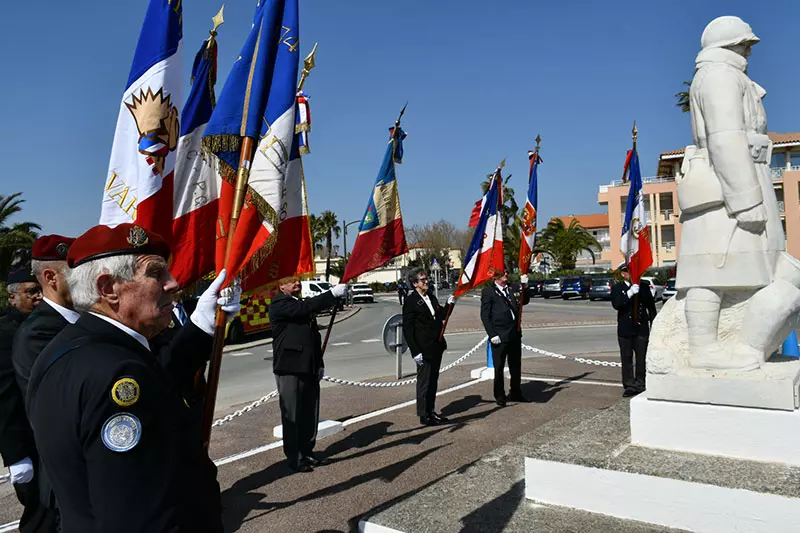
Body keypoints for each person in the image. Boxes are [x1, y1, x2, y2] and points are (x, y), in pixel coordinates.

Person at [26, 223, 241, 533]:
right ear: (109, 288)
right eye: (156, 274)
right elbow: (141, 515)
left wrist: (200, 326)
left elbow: (159, 384)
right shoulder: (120, 374)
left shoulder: (61, 352)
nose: (174, 283)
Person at [10, 235, 76, 532]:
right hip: (63, 467)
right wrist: (15, 455)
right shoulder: (37, 334)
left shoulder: (80, 320)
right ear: (51, 277)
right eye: (76, 270)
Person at [270, 276, 347, 472]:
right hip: (290, 367)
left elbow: (313, 337)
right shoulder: (279, 304)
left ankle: (307, 452)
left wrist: (319, 363)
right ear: (281, 286)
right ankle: (295, 457)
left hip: (308, 366)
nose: (298, 284)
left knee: (309, 413)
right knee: (293, 415)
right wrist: (331, 294)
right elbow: (304, 309)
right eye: (292, 282)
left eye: (298, 281)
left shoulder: (299, 303)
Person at [1, 263, 49, 533]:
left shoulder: (46, 324)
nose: (38, 297)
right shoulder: (5, 334)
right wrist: (16, 456)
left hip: (50, 435)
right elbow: (4, 399)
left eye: (39, 290)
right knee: (39, 516)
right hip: (28, 440)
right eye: (30, 291)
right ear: (12, 297)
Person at [402, 268, 454, 426]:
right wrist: (415, 351)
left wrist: (449, 305)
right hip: (423, 348)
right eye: (423, 280)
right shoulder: (411, 301)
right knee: (424, 382)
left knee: (433, 381)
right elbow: (408, 329)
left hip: (436, 345)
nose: (426, 282)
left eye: (427, 279)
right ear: (415, 283)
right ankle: (424, 414)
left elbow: (440, 316)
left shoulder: (431, 297)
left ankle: (431, 410)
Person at [480, 269, 531, 406]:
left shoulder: (512, 288)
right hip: (499, 335)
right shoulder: (489, 292)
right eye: (503, 273)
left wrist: (525, 286)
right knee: (499, 367)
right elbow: (485, 315)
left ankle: (516, 392)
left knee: (515, 366)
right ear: (495, 277)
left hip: (514, 333)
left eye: (506, 272)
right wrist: (492, 334)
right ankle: (500, 396)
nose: (506, 275)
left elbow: (524, 301)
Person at [611, 262, 657, 397]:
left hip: (641, 328)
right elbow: (617, 304)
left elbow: (651, 307)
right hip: (625, 329)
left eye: (631, 271)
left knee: (641, 358)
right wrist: (629, 293)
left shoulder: (643, 286)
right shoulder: (617, 288)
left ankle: (641, 383)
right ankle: (629, 385)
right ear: (622, 274)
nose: (629, 274)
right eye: (626, 272)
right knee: (626, 358)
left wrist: (653, 325)